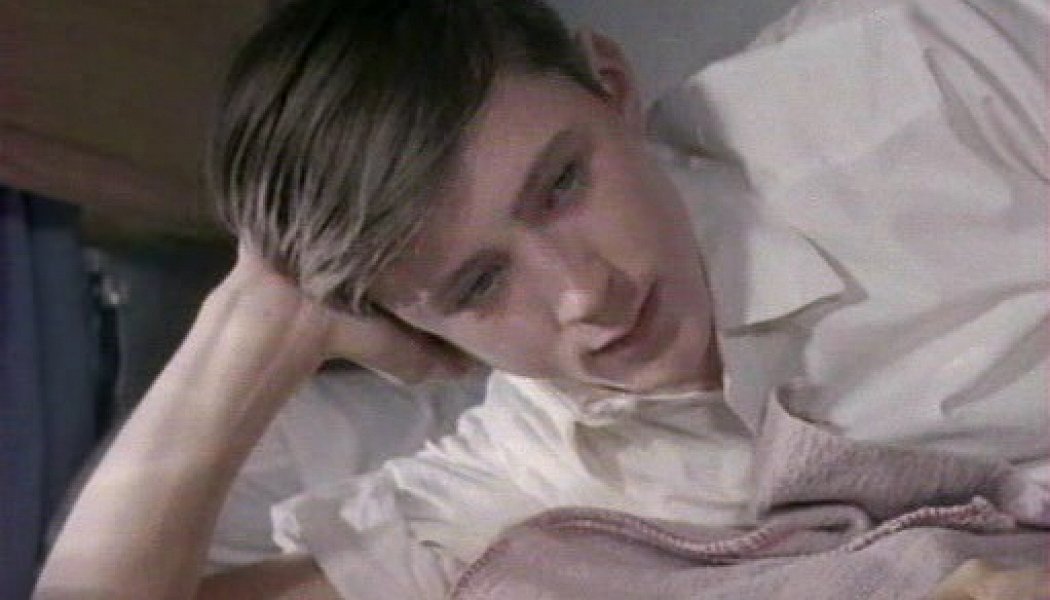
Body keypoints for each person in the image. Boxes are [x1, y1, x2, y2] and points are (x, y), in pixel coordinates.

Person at [35, 0, 1048, 598]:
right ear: (408, 323)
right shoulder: (531, 472)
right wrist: (253, 324)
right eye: (479, 284)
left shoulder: (924, 66)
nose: (583, 293)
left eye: (562, 183)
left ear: (612, 84)